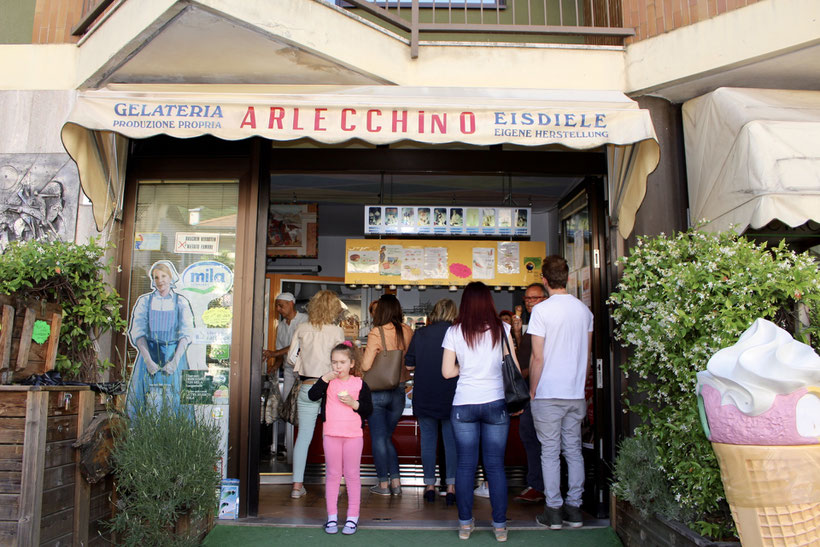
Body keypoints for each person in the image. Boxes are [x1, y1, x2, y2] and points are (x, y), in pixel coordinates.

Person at [442, 282, 521, 542]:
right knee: (495, 466)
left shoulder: (455, 331)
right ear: (489, 302)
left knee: (465, 465)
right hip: (496, 403)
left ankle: (465, 524)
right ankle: (499, 526)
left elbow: (446, 372)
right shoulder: (503, 329)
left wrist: (466, 369)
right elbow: (515, 369)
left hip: (464, 403)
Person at [528, 256, 594, 530]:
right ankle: (575, 509)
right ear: (567, 278)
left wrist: (532, 389)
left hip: (548, 393)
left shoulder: (541, 312)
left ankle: (553, 510)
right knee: (574, 451)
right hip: (575, 393)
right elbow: (587, 357)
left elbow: (537, 358)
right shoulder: (584, 311)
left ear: (544, 280)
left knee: (550, 452)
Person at [308, 342, 373, 536]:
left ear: (352, 363)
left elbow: (368, 409)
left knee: (352, 475)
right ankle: (332, 517)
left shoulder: (360, 383)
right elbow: (312, 395)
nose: (338, 366)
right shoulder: (328, 382)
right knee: (333, 475)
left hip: (353, 435)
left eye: (342, 362)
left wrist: (354, 403)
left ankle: (353, 517)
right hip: (331, 434)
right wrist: (323, 379)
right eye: (334, 362)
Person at [286, 290, 345, 499]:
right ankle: (334, 485)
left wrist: (304, 361)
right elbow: (341, 362)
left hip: (307, 385)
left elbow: (291, 359)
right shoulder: (337, 332)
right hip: (329, 387)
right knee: (330, 437)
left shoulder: (302, 328)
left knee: (304, 437)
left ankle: (296, 486)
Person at [405, 298, 458, 505]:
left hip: (425, 394)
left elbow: (409, 365)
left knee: (427, 442)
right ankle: (451, 486)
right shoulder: (458, 334)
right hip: (451, 395)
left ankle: (429, 485)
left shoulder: (421, 334)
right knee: (450, 442)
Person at [127, 261, 195, 415]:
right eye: (156, 277)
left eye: (163, 276)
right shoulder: (144, 301)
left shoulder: (181, 302)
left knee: (176, 398)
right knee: (145, 398)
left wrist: (175, 362)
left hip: (174, 355)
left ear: (171, 277)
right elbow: (138, 333)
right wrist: (148, 361)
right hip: (149, 354)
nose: (160, 280)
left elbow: (186, 334)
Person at [362, 294, 413, 496]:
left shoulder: (377, 332)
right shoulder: (408, 331)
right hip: (399, 392)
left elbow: (366, 365)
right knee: (386, 437)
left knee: (379, 438)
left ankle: (383, 484)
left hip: (378, 392)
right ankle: (396, 482)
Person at [510, 283, 548, 504]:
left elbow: (539, 358)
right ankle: (537, 483)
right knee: (530, 437)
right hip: (530, 387)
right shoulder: (533, 321)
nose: (529, 302)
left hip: (537, 388)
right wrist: (517, 333)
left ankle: (540, 485)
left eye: (535, 298)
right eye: (527, 299)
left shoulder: (544, 320)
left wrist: (520, 375)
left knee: (537, 439)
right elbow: (527, 351)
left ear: (545, 298)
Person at [263, 292, 308, 398]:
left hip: (303, 369)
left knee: (301, 401)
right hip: (288, 369)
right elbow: (280, 351)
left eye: (281, 306)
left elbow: (300, 344)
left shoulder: (305, 320)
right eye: (277, 306)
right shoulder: (281, 326)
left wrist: (273, 353)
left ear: (291, 304)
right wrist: (275, 366)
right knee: (286, 400)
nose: (278, 309)